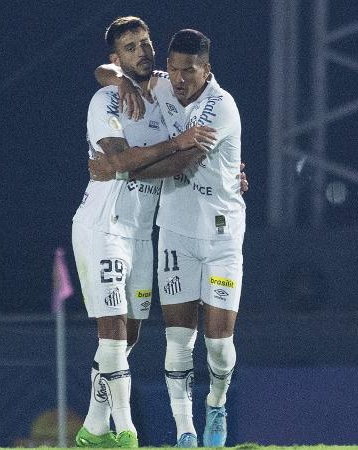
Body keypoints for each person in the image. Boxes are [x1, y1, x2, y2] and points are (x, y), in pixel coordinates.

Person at [92, 28, 246, 448]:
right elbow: (104, 69)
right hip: (175, 232)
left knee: (218, 345)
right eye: (174, 69)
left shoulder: (220, 107)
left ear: (207, 70)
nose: (178, 79)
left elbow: (182, 161)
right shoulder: (160, 85)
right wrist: (123, 80)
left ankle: (217, 402)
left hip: (222, 237)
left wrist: (118, 168)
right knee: (178, 339)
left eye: (189, 71)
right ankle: (186, 432)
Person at [72, 17, 217, 448]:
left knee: (127, 339)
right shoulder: (106, 100)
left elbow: (168, 164)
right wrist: (174, 145)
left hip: (141, 234)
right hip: (104, 226)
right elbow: (118, 156)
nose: (143, 51)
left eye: (146, 42)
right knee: (112, 337)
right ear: (117, 58)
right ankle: (126, 431)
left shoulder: (164, 91)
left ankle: (93, 430)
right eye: (131, 47)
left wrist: (223, 169)